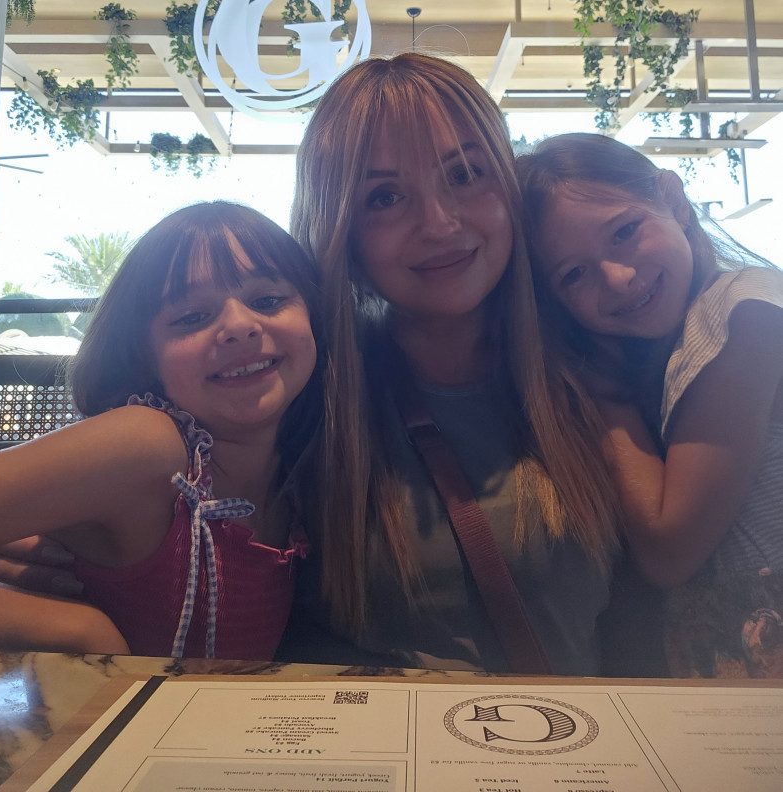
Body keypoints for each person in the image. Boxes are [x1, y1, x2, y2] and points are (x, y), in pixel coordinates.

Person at [284, 53, 620, 675]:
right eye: (385, 197)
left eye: (465, 174)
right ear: (340, 229)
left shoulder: (593, 368)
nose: (438, 224)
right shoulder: (302, 404)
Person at [0, 201, 331, 660]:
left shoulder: (304, 469)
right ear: (142, 356)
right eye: (192, 317)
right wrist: (72, 628)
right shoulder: (147, 447)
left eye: (268, 301)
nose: (240, 326)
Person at [517, 132, 783, 678]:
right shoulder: (670, 348)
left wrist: (602, 394)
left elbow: (668, 550)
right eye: (573, 273)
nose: (617, 279)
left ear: (674, 200)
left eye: (624, 231)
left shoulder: (747, 312)